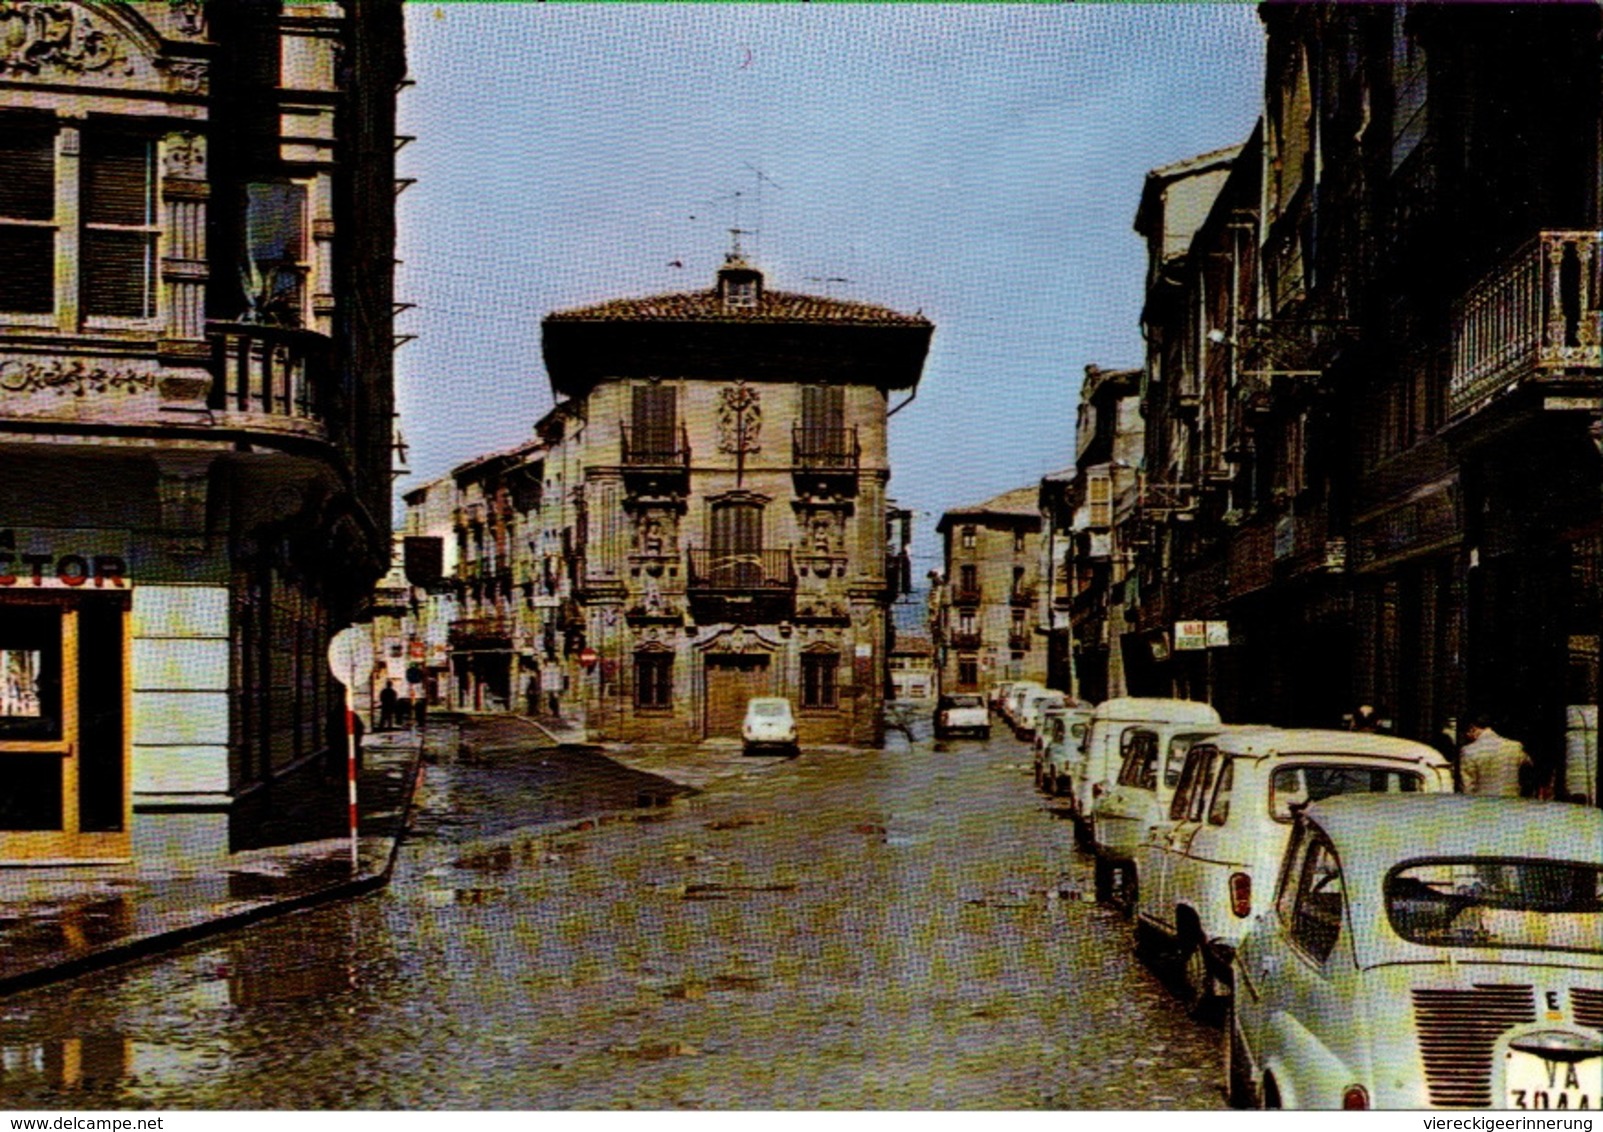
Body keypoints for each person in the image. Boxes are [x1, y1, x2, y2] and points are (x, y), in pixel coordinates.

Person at [1459, 714, 1533, 797]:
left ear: (1472, 728)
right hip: (1512, 804)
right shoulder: (1515, 747)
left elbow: (1467, 788)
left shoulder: (1468, 751)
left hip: (1483, 805)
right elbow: (1528, 770)